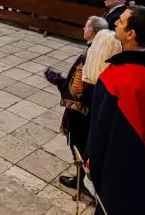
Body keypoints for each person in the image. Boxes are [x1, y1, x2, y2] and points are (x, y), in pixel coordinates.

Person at [87, 5, 145, 215]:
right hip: (144, 159)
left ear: (131, 34)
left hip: (119, 166)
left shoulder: (120, 79)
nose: (115, 23)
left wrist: (91, 163)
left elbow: (100, 128)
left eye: (121, 21)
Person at [45, 16, 120, 196]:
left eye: (85, 26)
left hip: (81, 115)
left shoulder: (88, 58)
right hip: (97, 113)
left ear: (92, 32)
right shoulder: (111, 58)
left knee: (78, 146)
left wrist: (57, 79)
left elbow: (75, 89)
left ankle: (81, 181)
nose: (83, 29)